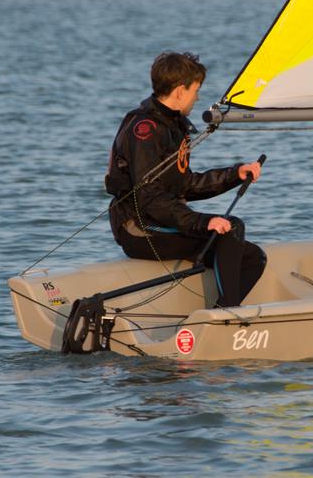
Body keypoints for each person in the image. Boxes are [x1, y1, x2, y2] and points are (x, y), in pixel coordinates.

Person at [105, 51, 266, 307]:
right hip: (138, 228)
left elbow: (184, 185)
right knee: (230, 228)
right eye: (196, 90)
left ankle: (217, 316)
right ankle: (226, 315)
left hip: (161, 220)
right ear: (180, 91)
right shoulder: (144, 131)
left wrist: (234, 175)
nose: (197, 97)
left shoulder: (172, 125)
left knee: (254, 258)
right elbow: (150, 198)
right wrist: (202, 222)